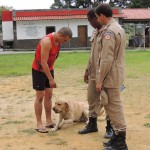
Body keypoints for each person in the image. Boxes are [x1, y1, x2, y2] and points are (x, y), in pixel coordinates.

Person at [95, 4, 128, 150]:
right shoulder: (118, 28)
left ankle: (120, 140)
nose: (97, 20)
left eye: (97, 17)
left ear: (102, 15)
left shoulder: (110, 31)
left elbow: (106, 59)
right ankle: (116, 137)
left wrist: (100, 80)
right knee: (113, 106)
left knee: (114, 107)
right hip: (116, 72)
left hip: (110, 75)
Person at [78, 9, 113, 139]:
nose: (90, 23)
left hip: (105, 74)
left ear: (96, 18)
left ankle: (110, 127)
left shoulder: (108, 32)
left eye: (90, 20)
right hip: (93, 73)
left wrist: (101, 77)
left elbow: (107, 57)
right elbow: (92, 54)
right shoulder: (95, 32)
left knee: (107, 101)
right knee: (92, 98)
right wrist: (87, 70)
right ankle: (92, 124)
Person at [32, 27, 72, 133]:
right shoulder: (47, 41)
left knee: (49, 95)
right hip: (39, 70)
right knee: (40, 96)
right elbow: (43, 62)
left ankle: (49, 121)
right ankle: (39, 123)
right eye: (64, 40)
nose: (64, 42)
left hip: (49, 69)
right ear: (60, 35)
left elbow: (52, 59)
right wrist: (50, 79)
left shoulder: (58, 41)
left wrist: (50, 74)